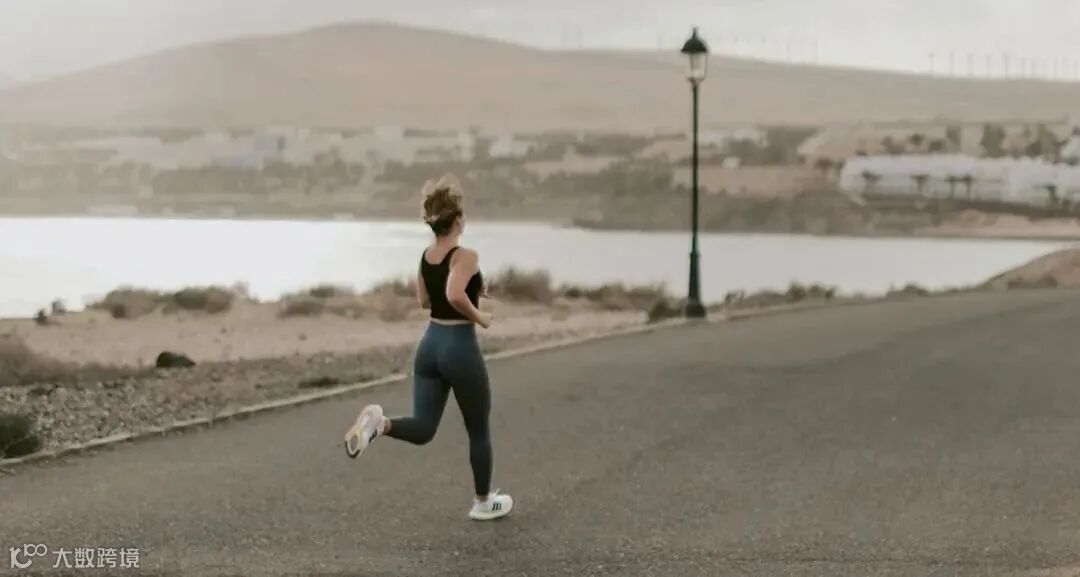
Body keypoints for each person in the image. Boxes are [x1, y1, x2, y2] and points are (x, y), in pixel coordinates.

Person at [344, 175, 513, 521]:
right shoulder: (465, 255)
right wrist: (480, 316)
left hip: (430, 346)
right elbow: (453, 294)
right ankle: (483, 502)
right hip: (459, 347)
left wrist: (474, 291)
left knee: (423, 428)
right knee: (478, 430)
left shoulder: (426, 256)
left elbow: (425, 300)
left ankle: (380, 425)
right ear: (458, 220)